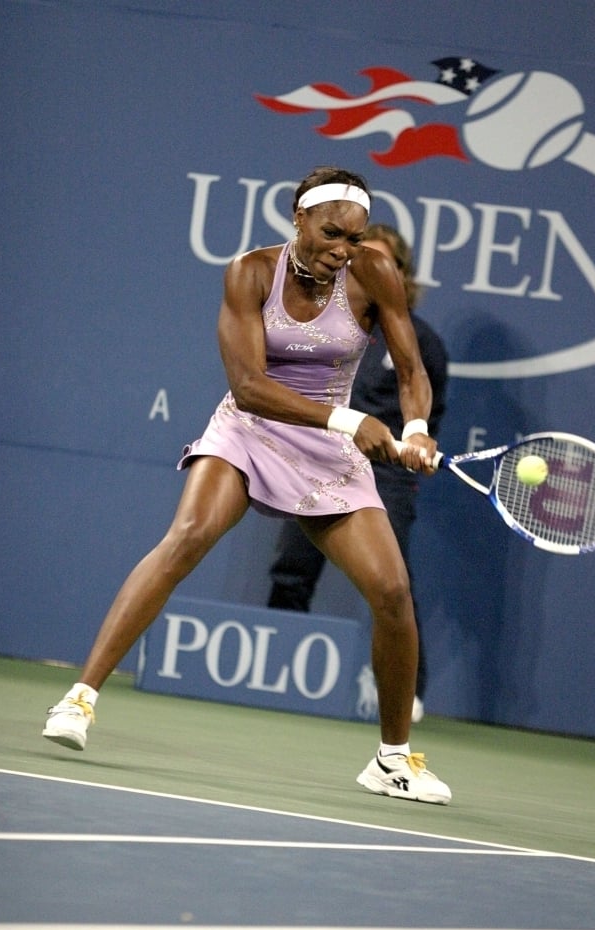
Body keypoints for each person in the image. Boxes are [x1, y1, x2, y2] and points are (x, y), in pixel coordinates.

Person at [42, 166, 452, 806]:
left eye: (355, 236)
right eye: (330, 232)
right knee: (188, 536)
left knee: (393, 592)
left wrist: (419, 426)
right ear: (298, 217)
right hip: (250, 430)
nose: (341, 249)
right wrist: (351, 419)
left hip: (326, 451)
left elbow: (410, 367)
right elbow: (249, 386)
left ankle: (393, 761)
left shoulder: (373, 271)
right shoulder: (251, 273)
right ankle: (78, 699)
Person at [267, 222, 448, 725]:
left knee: (392, 587)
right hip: (320, 460)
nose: (361, 267)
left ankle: (408, 693)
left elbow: (427, 410)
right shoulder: (324, 329)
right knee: (291, 569)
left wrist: (414, 438)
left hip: (386, 477)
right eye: (355, 257)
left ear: (399, 275)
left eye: (377, 260)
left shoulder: (422, 342)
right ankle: (274, 672)